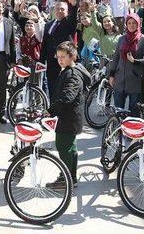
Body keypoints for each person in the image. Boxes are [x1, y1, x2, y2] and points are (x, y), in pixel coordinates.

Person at [47, 41, 90, 189]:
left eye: (63, 57)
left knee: (64, 147)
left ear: (72, 57)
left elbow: (67, 97)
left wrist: (50, 111)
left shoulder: (72, 75)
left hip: (68, 118)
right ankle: (70, 177)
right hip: (70, 117)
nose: (60, 60)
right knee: (70, 148)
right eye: (58, 56)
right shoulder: (70, 70)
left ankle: (65, 178)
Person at [40, 0, 79, 97]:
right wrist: (41, 60)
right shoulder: (49, 24)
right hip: (52, 61)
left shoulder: (68, 23)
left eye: (62, 9)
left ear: (66, 11)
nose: (59, 11)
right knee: (52, 88)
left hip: (65, 60)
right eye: (57, 9)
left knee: (64, 88)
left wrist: (73, 6)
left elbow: (73, 17)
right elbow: (45, 43)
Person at [109, 14, 144, 113]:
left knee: (134, 113)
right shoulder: (121, 39)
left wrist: (135, 61)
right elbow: (116, 58)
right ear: (126, 25)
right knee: (118, 112)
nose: (131, 25)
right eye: (129, 23)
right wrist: (111, 75)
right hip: (120, 80)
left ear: (138, 24)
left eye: (134, 23)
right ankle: (118, 128)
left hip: (135, 82)